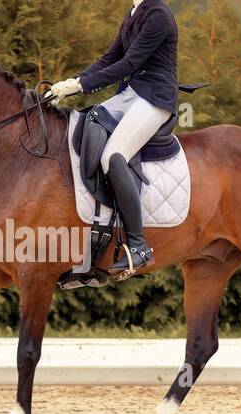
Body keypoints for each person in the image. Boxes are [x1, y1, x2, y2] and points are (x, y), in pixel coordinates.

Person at [47, 0, 179, 276]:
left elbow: (130, 62)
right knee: (86, 124)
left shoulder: (158, 14)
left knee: (113, 155)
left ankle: (139, 246)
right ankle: (97, 227)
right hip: (131, 94)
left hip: (155, 97)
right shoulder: (134, 12)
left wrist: (82, 85)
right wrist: (72, 82)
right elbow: (110, 58)